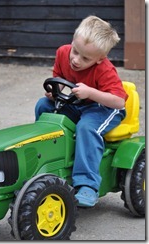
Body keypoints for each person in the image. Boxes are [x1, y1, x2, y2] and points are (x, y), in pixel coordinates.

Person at [35, 15, 128, 207]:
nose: (76, 60)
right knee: (43, 106)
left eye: (85, 58)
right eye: (75, 51)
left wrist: (91, 92)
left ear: (99, 59)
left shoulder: (105, 70)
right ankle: (49, 155)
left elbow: (119, 101)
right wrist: (55, 93)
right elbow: (58, 77)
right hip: (80, 102)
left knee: (87, 127)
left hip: (105, 108)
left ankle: (87, 185)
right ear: (72, 42)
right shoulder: (63, 53)